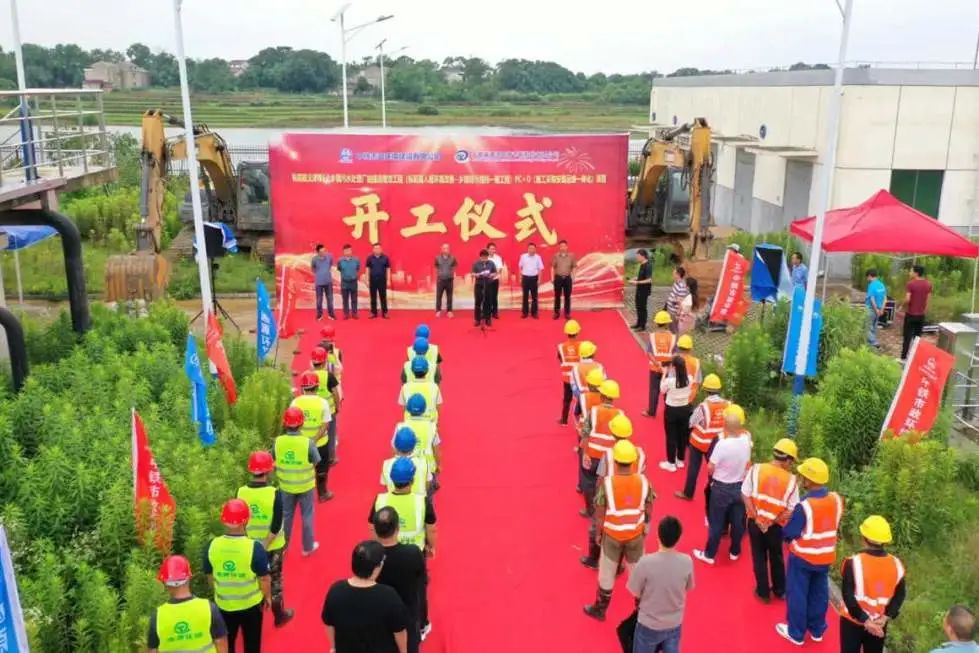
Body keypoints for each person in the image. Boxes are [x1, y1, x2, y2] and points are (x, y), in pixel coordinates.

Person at [776, 457, 844, 646]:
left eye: (803, 476)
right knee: (819, 594)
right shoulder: (837, 500)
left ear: (810, 480)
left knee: (797, 594)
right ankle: (817, 630)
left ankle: (796, 633)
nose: (801, 479)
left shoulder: (804, 506)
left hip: (803, 557)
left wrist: (784, 528)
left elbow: (790, 533)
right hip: (826, 556)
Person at [583, 440, 654, 621]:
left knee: (607, 572)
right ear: (633, 461)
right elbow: (649, 505)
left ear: (615, 462)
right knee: (638, 573)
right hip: (635, 535)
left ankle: (600, 609)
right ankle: (642, 610)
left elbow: (600, 512)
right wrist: (646, 525)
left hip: (612, 536)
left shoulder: (607, 484)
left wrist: (598, 534)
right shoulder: (643, 481)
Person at [369, 458, 438, 639]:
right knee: (418, 591)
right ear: (412, 480)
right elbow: (431, 528)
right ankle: (421, 625)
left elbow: (371, 527)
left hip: (384, 553)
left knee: (386, 588)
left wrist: (376, 548)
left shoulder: (380, 499)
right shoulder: (421, 501)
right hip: (414, 554)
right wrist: (431, 547)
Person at [204, 499, 272, 653]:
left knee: (227, 645)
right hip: (251, 606)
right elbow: (264, 578)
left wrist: (219, 593)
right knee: (252, 645)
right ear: (246, 520)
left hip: (223, 606)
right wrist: (267, 597)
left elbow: (210, 576)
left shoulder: (211, 546)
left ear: (223, 520)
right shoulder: (254, 548)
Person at [237, 451, 294, 627]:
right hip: (273, 546)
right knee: (275, 581)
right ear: (268, 471)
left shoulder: (241, 492)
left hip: (250, 547)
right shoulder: (274, 493)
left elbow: (239, 521)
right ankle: (279, 616)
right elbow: (276, 526)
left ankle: (255, 618)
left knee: (254, 581)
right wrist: (264, 545)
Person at [322, 540, 410, 653]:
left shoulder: (336, 590)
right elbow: (399, 630)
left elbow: (329, 623)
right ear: (377, 567)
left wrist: (333, 647)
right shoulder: (389, 596)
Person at [741, 439, 799, 603]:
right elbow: (791, 509)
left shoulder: (756, 469)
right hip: (775, 527)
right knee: (777, 557)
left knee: (759, 557)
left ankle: (763, 593)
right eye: (792, 461)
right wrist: (772, 522)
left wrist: (757, 518)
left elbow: (745, 494)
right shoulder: (791, 481)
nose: (791, 465)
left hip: (755, 523)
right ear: (787, 459)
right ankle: (780, 590)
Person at [693, 404, 752, 566]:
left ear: (724, 426)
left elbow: (710, 467)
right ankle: (735, 551)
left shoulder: (722, 444)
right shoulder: (746, 440)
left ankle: (709, 554)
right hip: (739, 487)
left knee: (716, 523)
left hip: (721, 488)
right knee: (738, 522)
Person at [839, 515, 907, 653]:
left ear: (864, 538)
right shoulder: (896, 564)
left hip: (852, 621)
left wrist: (865, 620)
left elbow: (848, 595)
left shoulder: (853, 562)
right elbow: (900, 594)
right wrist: (887, 616)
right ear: (885, 541)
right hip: (879, 622)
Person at [627, 516, 695, 653]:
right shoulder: (687, 561)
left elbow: (635, 590)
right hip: (674, 623)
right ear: (678, 538)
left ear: (658, 535)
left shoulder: (645, 562)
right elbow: (689, 587)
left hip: (648, 624)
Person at [148, 555, 228, 653]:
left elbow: (153, 650)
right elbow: (220, 642)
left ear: (165, 582)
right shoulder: (209, 608)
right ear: (189, 578)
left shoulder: (157, 616)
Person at [374, 507, 427, 653]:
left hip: (378, 618)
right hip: (407, 615)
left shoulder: (370, 556)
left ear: (375, 529)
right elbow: (422, 583)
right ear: (398, 528)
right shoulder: (413, 553)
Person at [274, 407, 321, 556]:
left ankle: (283, 547)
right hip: (305, 486)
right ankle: (307, 547)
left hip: (285, 486)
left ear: (285, 423)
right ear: (301, 423)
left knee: (286, 517)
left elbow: (273, 459)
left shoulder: (278, 442)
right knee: (307, 515)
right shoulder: (307, 443)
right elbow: (316, 461)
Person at [675, 373, 729, 501]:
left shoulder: (704, 406)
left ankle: (688, 493)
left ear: (705, 390)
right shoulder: (727, 404)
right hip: (716, 443)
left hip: (699, 442)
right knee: (714, 470)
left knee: (694, 468)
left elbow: (691, 422)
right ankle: (713, 495)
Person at [578, 386, 625, 523]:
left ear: (602, 396)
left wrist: (584, 453)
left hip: (592, 454)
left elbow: (585, 433)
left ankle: (589, 510)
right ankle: (603, 510)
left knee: (588, 481)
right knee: (604, 484)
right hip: (610, 457)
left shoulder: (593, 411)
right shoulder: (620, 414)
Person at [291, 371, 334, 502]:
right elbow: (325, 425)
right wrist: (314, 440)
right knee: (322, 469)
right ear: (317, 387)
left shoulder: (295, 402)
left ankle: (300, 495)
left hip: (301, 443)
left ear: (303, 387)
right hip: (320, 443)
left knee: (302, 468)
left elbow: (292, 423)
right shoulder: (323, 402)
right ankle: (322, 493)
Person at [394, 395, 442, 486]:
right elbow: (436, 450)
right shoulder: (432, 427)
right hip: (428, 468)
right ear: (424, 409)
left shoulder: (400, 427)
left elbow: (394, 448)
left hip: (403, 469)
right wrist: (438, 465)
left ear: (408, 408)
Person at [309, 346, 342, 466]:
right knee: (331, 434)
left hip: (314, 410)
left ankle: (313, 456)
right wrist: (338, 406)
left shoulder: (309, 375)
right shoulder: (329, 376)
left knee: (315, 432)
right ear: (324, 362)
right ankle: (331, 457)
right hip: (329, 410)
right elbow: (335, 393)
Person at [660, 355, 692, 472]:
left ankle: (671, 462)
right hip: (685, 409)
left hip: (672, 410)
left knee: (671, 436)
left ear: (674, 367)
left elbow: (662, 390)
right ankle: (680, 460)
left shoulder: (670, 381)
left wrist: (664, 373)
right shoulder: (689, 379)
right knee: (682, 435)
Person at [643, 312, 677, 418]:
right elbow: (675, 353)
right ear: (667, 323)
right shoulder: (673, 337)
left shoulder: (652, 336)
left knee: (654, 390)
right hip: (668, 369)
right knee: (668, 391)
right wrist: (666, 364)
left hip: (655, 368)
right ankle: (668, 412)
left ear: (657, 323)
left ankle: (651, 412)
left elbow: (649, 353)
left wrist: (657, 364)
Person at [381, 428, 431, 496]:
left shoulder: (386, 465)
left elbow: (386, 488)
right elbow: (427, 485)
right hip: (420, 501)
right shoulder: (424, 463)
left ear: (395, 445)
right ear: (414, 445)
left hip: (394, 501)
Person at [901, 264, 932, 360]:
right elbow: (928, 300)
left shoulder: (910, 284)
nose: (910, 273)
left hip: (911, 314)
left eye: (911, 271)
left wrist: (901, 305)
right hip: (921, 315)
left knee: (907, 337)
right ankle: (914, 358)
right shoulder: (928, 284)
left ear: (916, 273)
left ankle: (903, 358)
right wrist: (924, 311)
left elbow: (907, 299)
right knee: (917, 338)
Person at [399, 358, 442, 423]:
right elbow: (438, 407)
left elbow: (404, 407)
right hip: (430, 422)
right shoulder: (434, 387)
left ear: (412, 370)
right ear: (427, 370)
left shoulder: (405, 387)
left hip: (409, 422)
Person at [558, 319, 582, 425]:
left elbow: (560, 359)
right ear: (577, 332)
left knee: (567, 399)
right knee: (581, 399)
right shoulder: (581, 346)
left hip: (567, 378)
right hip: (579, 378)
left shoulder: (561, 347)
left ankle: (564, 420)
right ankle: (581, 419)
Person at [519, 242, 545, 318]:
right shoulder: (523, 256)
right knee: (525, 296)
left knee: (534, 297)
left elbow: (540, 269)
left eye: (533, 248)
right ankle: (525, 313)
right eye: (530, 248)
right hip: (525, 278)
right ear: (527, 249)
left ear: (535, 249)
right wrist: (520, 278)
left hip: (534, 278)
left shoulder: (538, 257)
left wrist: (539, 280)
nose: (531, 250)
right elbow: (520, 267)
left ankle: (534, 313)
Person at [365, 242, 391, 319]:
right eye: (375, 248)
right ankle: (373, 313)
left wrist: (388, 280)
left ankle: (385, 312)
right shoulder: (369, 258)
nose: (377, 249)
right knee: (373, 297)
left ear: (381, 249)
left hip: (382, 280)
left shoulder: (385, 258)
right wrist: (367, 280)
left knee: (383, 297)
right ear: (373, 249)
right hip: (373, 280)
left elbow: (388, 269)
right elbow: (367, 269)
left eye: (379, 248)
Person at [472, 249, 497, 327]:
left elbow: (495, 272)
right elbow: (472, 273)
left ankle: (488, 319)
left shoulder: (491, 263)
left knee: (488, 302)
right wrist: (477, 275)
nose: (484, 259)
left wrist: (491, 275)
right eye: (483, 257)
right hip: (479, 285)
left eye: (486, 257)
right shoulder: (476, 263)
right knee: (478, 302)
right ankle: (477, 319)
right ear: (480, 257)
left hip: (488, 284)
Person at [629, 249, 653, 330]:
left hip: (644, 290)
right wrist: (635, 278)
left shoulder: (648, 265)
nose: (637, 258)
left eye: (638, 256)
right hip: (639, 289)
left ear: (643, 256)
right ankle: (638, 323)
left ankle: (642, 326)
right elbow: (642, 276)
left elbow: (649, 280)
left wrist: (637, 282)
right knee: (638, 306)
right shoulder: (642, 264)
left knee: (642, 307)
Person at [552, 239, 576, 319]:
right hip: (558, 278)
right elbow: (552, 267)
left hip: (567, 278)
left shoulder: (571, 256)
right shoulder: (556, 256)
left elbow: (574, 267)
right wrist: (552, 278)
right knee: (557, 296)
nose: (562, 248)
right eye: (561, 246)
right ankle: (556, 313)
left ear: (567, 247)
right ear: (559, 247)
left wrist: (573, 277)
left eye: (564, 246)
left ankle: (567, 313)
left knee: (567, 296)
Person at [311, 243, 336, 321]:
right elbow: (313, 269)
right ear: (318, 252)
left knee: (330, 300)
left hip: (328, 282)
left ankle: (331, 315)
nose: (324, 253)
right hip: (319, 283)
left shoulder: (329, 257)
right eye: (322, 252)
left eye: (325, 251)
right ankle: (319, 315)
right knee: (319, 300)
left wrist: (326, 272)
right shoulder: (314, 259)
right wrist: (319, 274)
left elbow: (330, 264)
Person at [337, 243, 361, 319]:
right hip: (344, 282)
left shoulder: (356, 260)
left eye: (349, 250)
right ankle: (346, 314)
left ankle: (354, 313)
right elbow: (339, 269)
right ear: (344, 252)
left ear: (351, 251)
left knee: (354, 299)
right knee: (345, 299)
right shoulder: (340, 261)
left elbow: (357, 268)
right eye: (346, 250)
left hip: (353, 282)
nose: (348, 252)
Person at [434, 243, 457, 318]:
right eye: (444, 248)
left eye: (447, 248)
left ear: (449, 249)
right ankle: (438, 311)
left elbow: (455, 265)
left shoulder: (453, 258)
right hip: (440, 280)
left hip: (449, 280)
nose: (446, 250)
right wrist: (439, 273)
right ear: (441, 249)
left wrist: (451, 273)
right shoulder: (437, 258)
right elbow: (436, 266)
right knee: (439, 296)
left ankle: (449, 311)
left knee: (449, 296)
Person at [865, 269, 887, 348]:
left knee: (867, 327)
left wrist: (876, 310)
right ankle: (871, 346)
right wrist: (881, 309)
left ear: (869, 276)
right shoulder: (881, 285)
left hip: (871, 309)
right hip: (879, 309)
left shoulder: (871, 285)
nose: (867, 279)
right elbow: (885, 298)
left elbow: (872, 299)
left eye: (867, 277)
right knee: (874, 327)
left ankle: (874, 342)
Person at [665, 267, 690, 332]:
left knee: (674, 329)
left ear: (678, 275)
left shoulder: (682, 286)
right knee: (670, 327)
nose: (672, 275)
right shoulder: (676, 283)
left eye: (674, 273)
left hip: (675, 312)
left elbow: (680, 301)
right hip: (670, 309)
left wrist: (678, 314)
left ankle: (675, 337)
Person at [487, 242, 504, 319]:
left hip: (495, 280)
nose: (493, 250)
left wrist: (493, 274)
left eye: (494, 249)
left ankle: (494, 313)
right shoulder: (485, 258)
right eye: (491, 249)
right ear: (487, 249)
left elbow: (500, 269)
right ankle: (486, 312)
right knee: (486, 296)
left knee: (494, 296)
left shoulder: (498, 258)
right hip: (486, 280)